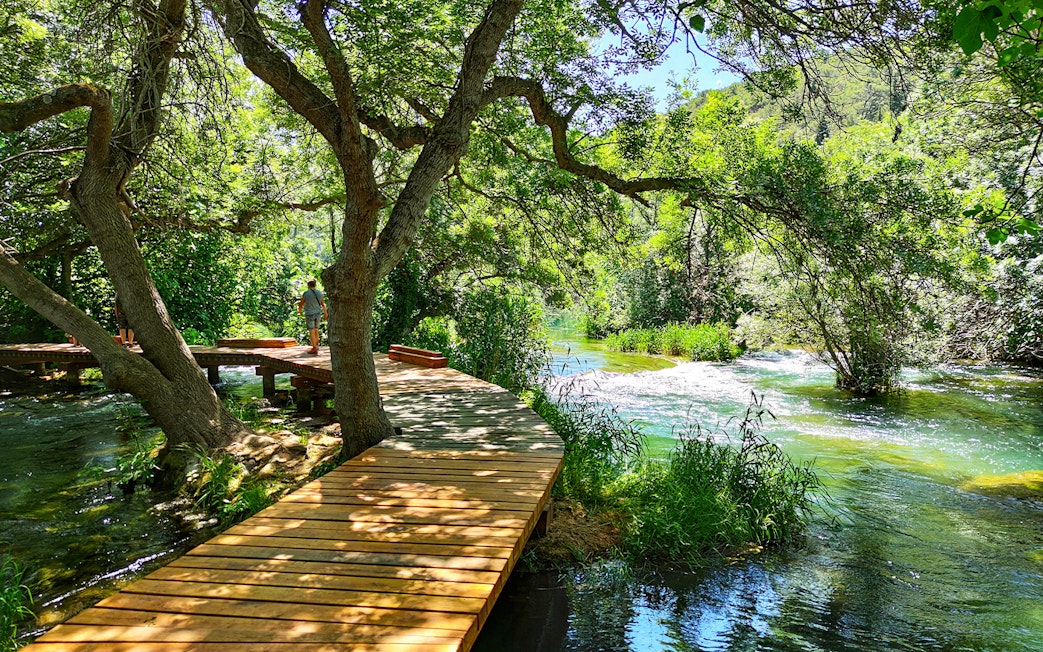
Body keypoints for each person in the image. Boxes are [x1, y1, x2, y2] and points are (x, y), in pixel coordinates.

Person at [297, 279, 327, 354]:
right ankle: (316, 345)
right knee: (316, 330)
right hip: (318, 314)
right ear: (315, 285)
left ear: (308, 285)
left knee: (311, 331)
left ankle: (314, 347)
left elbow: (301, 303)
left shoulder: (306, 293)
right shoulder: (320, 293)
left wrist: (299, 312)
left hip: (309, 314)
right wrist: (325, 314)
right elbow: (323, 304)